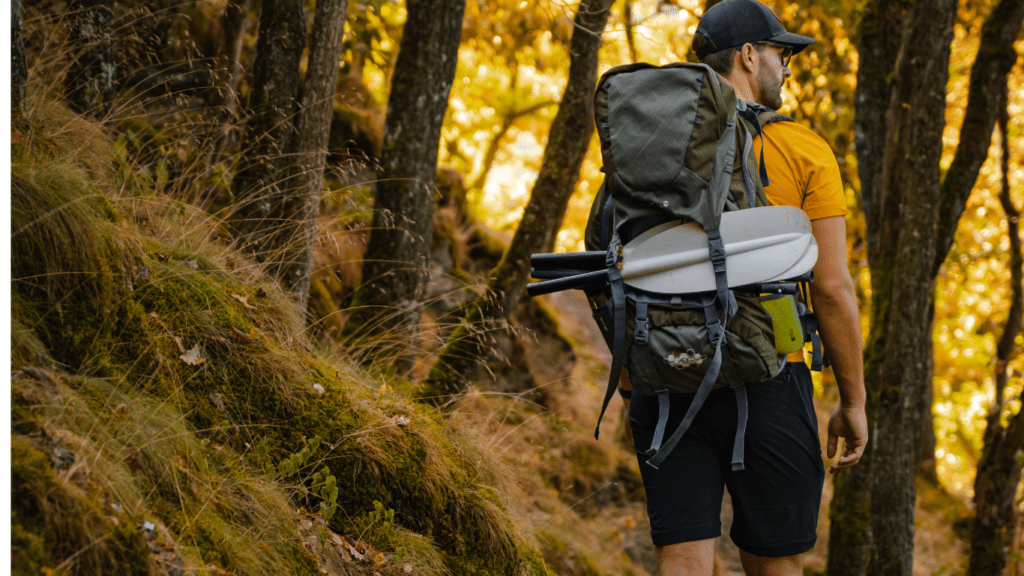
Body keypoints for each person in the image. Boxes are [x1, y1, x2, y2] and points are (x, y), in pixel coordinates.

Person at [618, 1, 869, 574]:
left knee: (680, 555)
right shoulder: (803, 148)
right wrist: (852, 401)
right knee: (775, 561)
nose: (787, 69)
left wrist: (636, 375)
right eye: (782, 55)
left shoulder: (648, 144)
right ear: (749, 56)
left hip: (664, 374)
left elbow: (623, 256)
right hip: (767, 376)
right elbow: (831, 287)